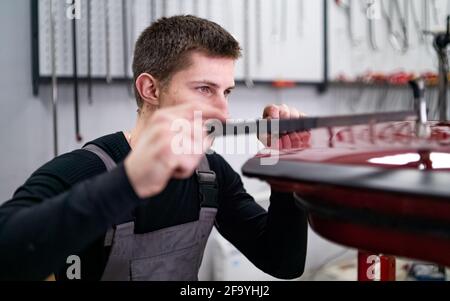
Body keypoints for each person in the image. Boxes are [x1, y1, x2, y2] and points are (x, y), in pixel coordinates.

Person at [0, 15, 308, 281]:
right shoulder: (81, 171)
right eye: (204, 89)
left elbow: (283, 262)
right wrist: (129, 181)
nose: (223, 112)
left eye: (226, 91)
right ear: (150, 89)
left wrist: (284, 168)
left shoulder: (211, 174)